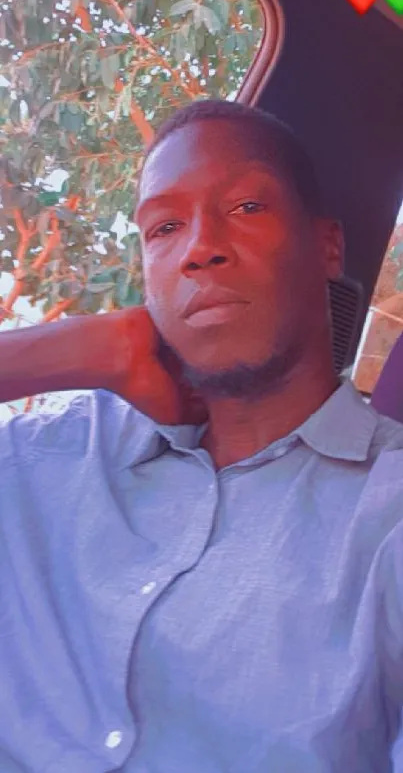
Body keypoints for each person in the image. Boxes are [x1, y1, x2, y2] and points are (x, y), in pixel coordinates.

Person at [1, 98, 403, 773]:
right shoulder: (54, 455)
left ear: (326, 245)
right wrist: (62, 350)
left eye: (246, 207)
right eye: (163, 227)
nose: (199, 248)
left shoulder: (384, 515)